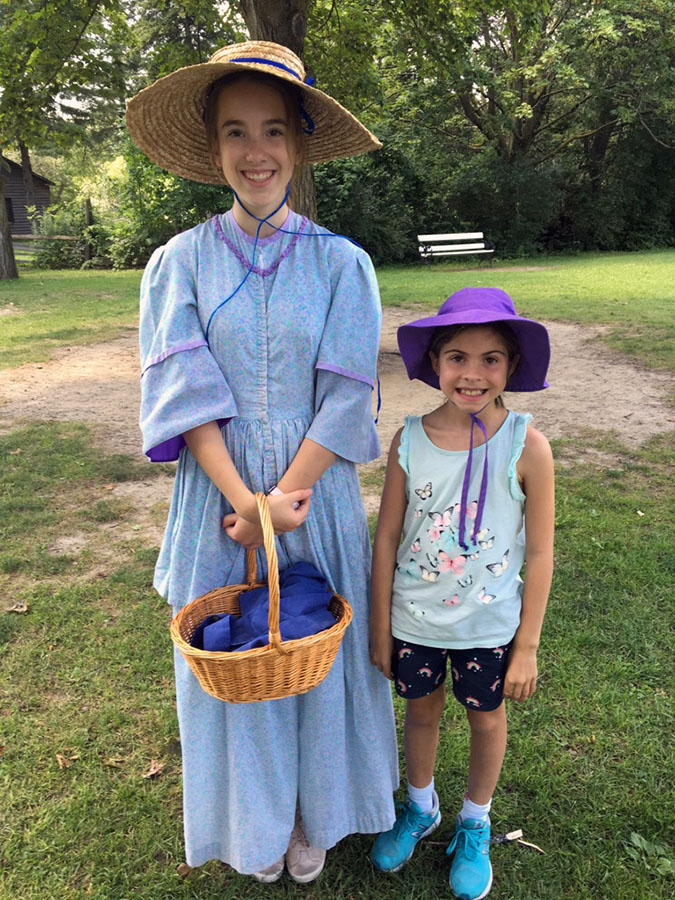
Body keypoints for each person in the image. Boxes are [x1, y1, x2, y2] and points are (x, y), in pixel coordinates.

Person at [125, 40, 398, 884]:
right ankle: (257, 823)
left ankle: (316, 814)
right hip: (218, 494)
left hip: (310, 490)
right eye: (236, 131)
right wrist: (247, 502)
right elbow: (184, 391)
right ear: (213, 148)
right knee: (239, 650)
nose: (256, 152)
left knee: (311, 649)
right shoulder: (177, 264)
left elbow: (349, 394)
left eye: (273, 130)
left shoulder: (342, 264)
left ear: (300, 143)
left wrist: (286, 499)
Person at [369, 287, 554, 899]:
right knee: (420, 713)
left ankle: (475, 820)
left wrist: (526, 645)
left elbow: (540, 552)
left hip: (490, 628)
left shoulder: (528, 445)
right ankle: (420, 806)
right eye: (457, 356)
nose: (472, 373)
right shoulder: (408, 440)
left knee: (486, 719)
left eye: (491, 358)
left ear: (513, 366)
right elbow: (388, 537)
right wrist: (379, 628)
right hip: (414, 621)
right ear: (435, 363)